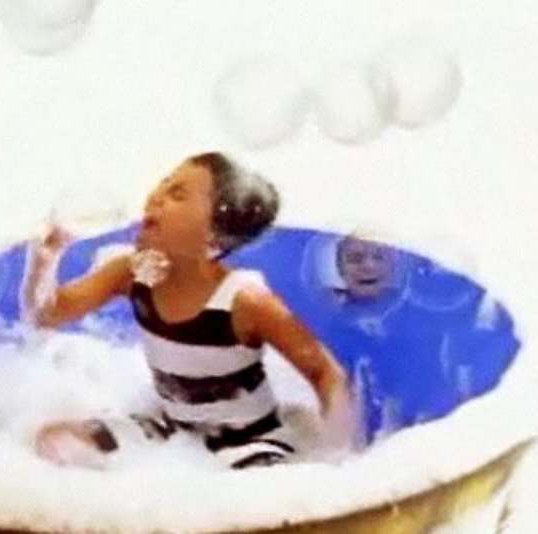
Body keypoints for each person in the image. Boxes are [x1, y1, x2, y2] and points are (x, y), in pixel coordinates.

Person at [20, 152, 355, 469]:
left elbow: (326, 373)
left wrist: (337, 457)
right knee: (55, 442)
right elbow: (46, 315)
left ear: (213, 236)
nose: (155, 198)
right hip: (172, 430)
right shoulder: (133, 272)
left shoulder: (244, 300)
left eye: (177, 194)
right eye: (161, 186)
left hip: (249, 440)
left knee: (250, 494)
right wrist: (45, 261)